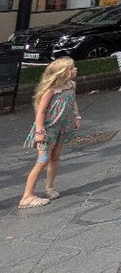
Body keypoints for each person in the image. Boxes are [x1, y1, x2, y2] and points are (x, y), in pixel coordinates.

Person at [19, 57, 80, 208]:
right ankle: (27, 196)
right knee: (43, 160)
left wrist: (77, 116)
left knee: (55, 156)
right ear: (62, 73)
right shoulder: (50, 91)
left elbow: (73, 102)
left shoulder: (71, 85)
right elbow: (40, 113)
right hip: (47, 131)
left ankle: (49, 187)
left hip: (62, 128)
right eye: (71, 68)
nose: (75, 70)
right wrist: (39, 131)